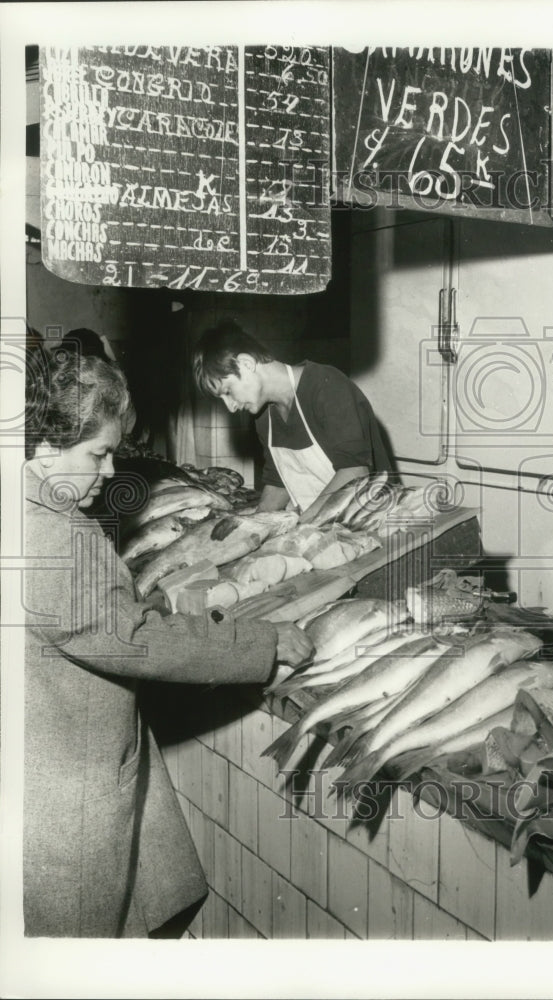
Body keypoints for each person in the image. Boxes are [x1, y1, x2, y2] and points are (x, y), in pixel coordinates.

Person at [22, 345, 313, 937]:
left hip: (63, 754)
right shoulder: (50, 534)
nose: (108, 473)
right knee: (81, 951)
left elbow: (92, 624)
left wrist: (126, 608)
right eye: (97, 454)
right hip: (66, 792)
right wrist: (263, 644)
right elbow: (135, 641)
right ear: (47, 451)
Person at [192, 320, 391, 525]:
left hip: (369, 523)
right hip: (322, 527)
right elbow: (279, 482)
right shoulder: (263, 415)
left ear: (246, 363)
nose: (230, 407)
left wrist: (303, 524)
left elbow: (355, 472)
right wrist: (255, 523)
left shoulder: (327, 387)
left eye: (228, 391)